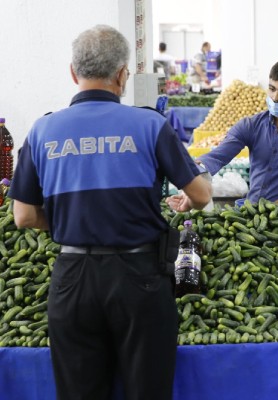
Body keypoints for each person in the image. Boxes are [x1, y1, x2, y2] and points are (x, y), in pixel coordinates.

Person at [8, 25, 212, 400]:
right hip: (140, 279)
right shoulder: (150, 124)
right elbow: (199, 195)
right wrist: (195, 192)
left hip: (72, 280)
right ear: (122, 75)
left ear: (74, 73)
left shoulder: (42, 131)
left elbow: (23, 216)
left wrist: (72, 220)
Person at [168, 59, 278, 209]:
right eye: (272, 88)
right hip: (250, 217)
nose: (275, 97)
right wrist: (194, 177)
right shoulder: (251, 125)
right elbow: (217, 157)